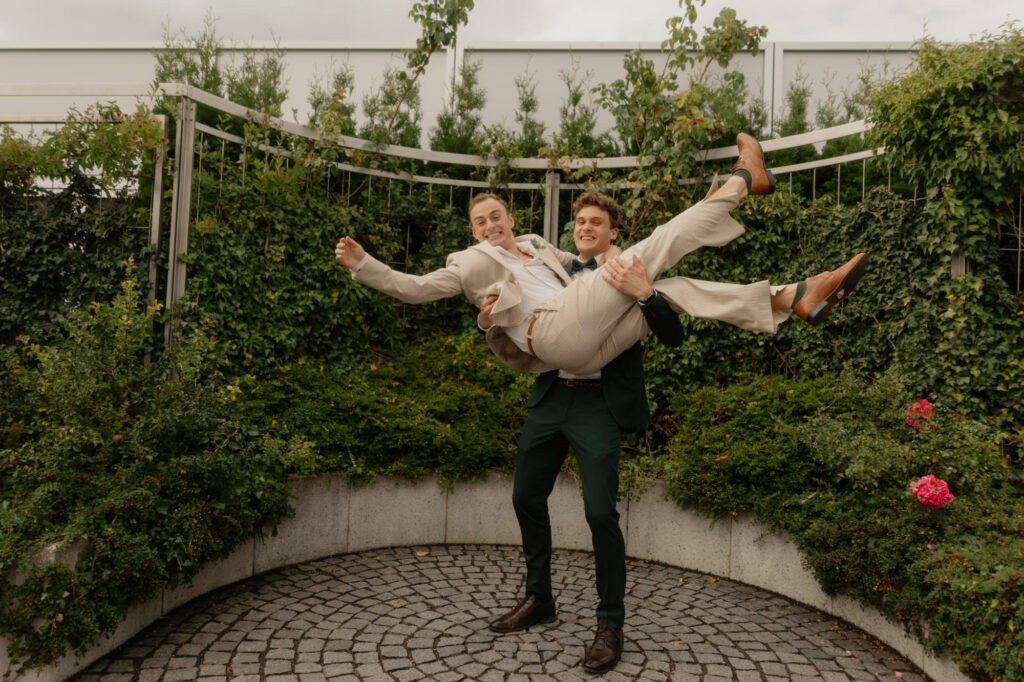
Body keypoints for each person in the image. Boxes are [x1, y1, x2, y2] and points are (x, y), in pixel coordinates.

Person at [334, 133, 869, 376]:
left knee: (668, 290)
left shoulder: (540, 248)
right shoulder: (467, 263)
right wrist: (364, 265)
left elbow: (586, 263)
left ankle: (792, 298)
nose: (490, 225)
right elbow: (414, 289)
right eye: (480, 222)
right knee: (653, 246)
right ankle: (742, 182)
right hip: (550, 333)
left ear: (510, 219)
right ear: (472, 232)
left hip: (585, 357)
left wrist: (610, 261)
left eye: (496, 216)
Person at [481, 191, 683, 673]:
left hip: (599, 405)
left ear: (614, 232)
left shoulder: (629, 270)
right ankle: (539, 598)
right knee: (525, 497)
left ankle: (610, 624)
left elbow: (673, 335)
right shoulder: (554, 272)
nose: (586, 228)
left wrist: (644, 292)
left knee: (600, 513)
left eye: (597, 222)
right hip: (552, 397)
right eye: (581, 222)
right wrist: (488, 318)